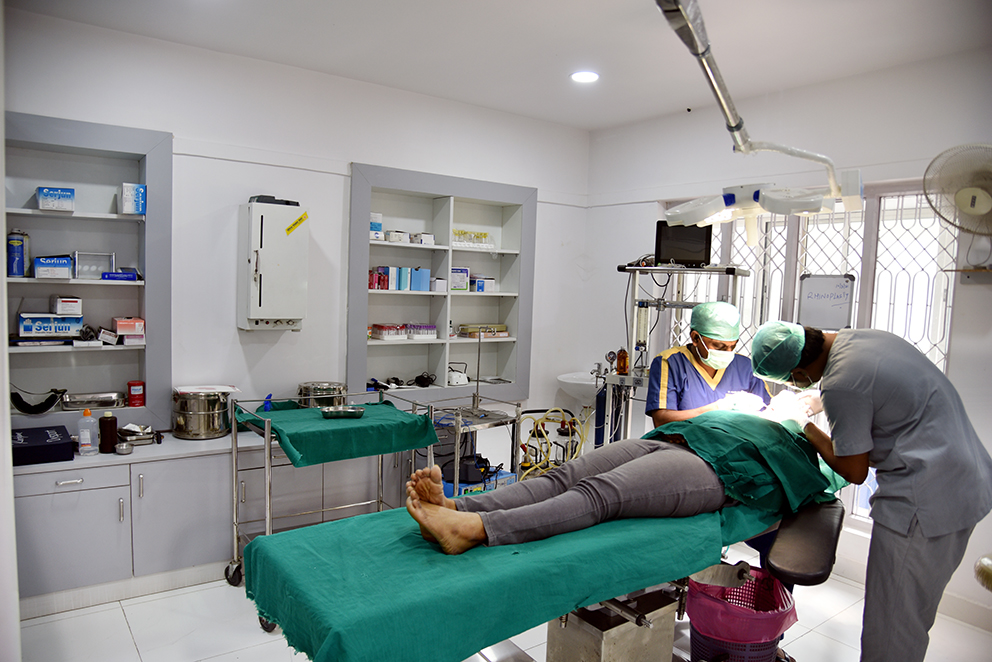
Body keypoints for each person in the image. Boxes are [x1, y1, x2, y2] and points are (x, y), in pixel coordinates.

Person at [750, 321, 992, 662]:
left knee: (893, 624)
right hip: (965, 481)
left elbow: (854, 470)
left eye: (791, 382)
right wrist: (819, 401)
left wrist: (802, 424)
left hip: (924, 502)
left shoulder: (840, 383)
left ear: (800, 374)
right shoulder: (862, 338)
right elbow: (880, 390)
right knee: (912, 612)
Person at [405, 410, 830, 556]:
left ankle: (475, 531)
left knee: (599, 495)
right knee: (563, 475)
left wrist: (809, 428)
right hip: (675, 439)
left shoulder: (802, 447)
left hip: (712, 470)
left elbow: (842, 472)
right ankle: (457, 508)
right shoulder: (754, 410)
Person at [645, 301, 771, 428]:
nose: (728, 352)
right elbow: (662, 420)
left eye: (732, 346)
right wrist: (715, 409)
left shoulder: (746, 368)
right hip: (686, 441)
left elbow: (769, 417)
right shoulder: (671, 362)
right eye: (719, 346)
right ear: (695, 338)